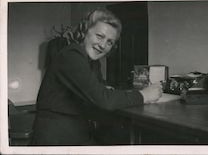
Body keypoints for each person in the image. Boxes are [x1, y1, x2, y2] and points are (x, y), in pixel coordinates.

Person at [30, 8, 162, 146]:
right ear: (85, 31)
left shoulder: (92, 62)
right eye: (99, 36)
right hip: (55, 138)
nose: (103, 45)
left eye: (110, 42)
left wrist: (108, 93)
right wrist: (143, 95)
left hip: (75, 130)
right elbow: (103, 99)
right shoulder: (71, 55)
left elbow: (99, 93)